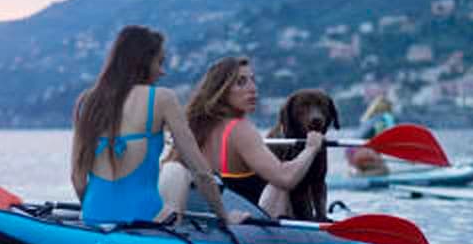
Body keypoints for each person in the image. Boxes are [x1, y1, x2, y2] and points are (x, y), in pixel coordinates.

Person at [71, 25, 246, 225]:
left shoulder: (87, 101)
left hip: (93, 215)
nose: (162, 72)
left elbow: (77, 179)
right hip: (147, 218)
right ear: (143, 61)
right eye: (159, 62)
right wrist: (225, 216)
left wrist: (98, 209)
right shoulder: (162, 98)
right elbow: (200, 170)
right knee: (175, 182)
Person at [159, 56, 324, 218]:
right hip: (249, 225)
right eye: (241, 82)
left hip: (207, 219)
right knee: (277, 185)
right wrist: (310, 149)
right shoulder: (239, 128)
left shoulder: (195, 126)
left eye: (253, 80)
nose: (253, 88)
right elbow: (285, 178)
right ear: (222, 90)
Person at [345, 95, 394, 175]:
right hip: (362, 151)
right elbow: (382, 138)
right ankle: (359, 176)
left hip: (350, 151)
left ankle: (355, 173)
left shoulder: (368, 119)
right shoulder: (385, 117)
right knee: (384, 170)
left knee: (368, 168)